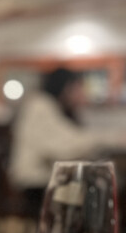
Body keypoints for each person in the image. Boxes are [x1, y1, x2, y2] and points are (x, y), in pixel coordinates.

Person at [8, 67, 122, 215]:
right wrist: (112, 139)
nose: (82, 94)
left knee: (103, 186)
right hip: (35, 185)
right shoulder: (39, 105)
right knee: (99, 192)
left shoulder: (53, 107)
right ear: (67, 87)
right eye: (79, 88)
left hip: (50, 182)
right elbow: (65, 146)